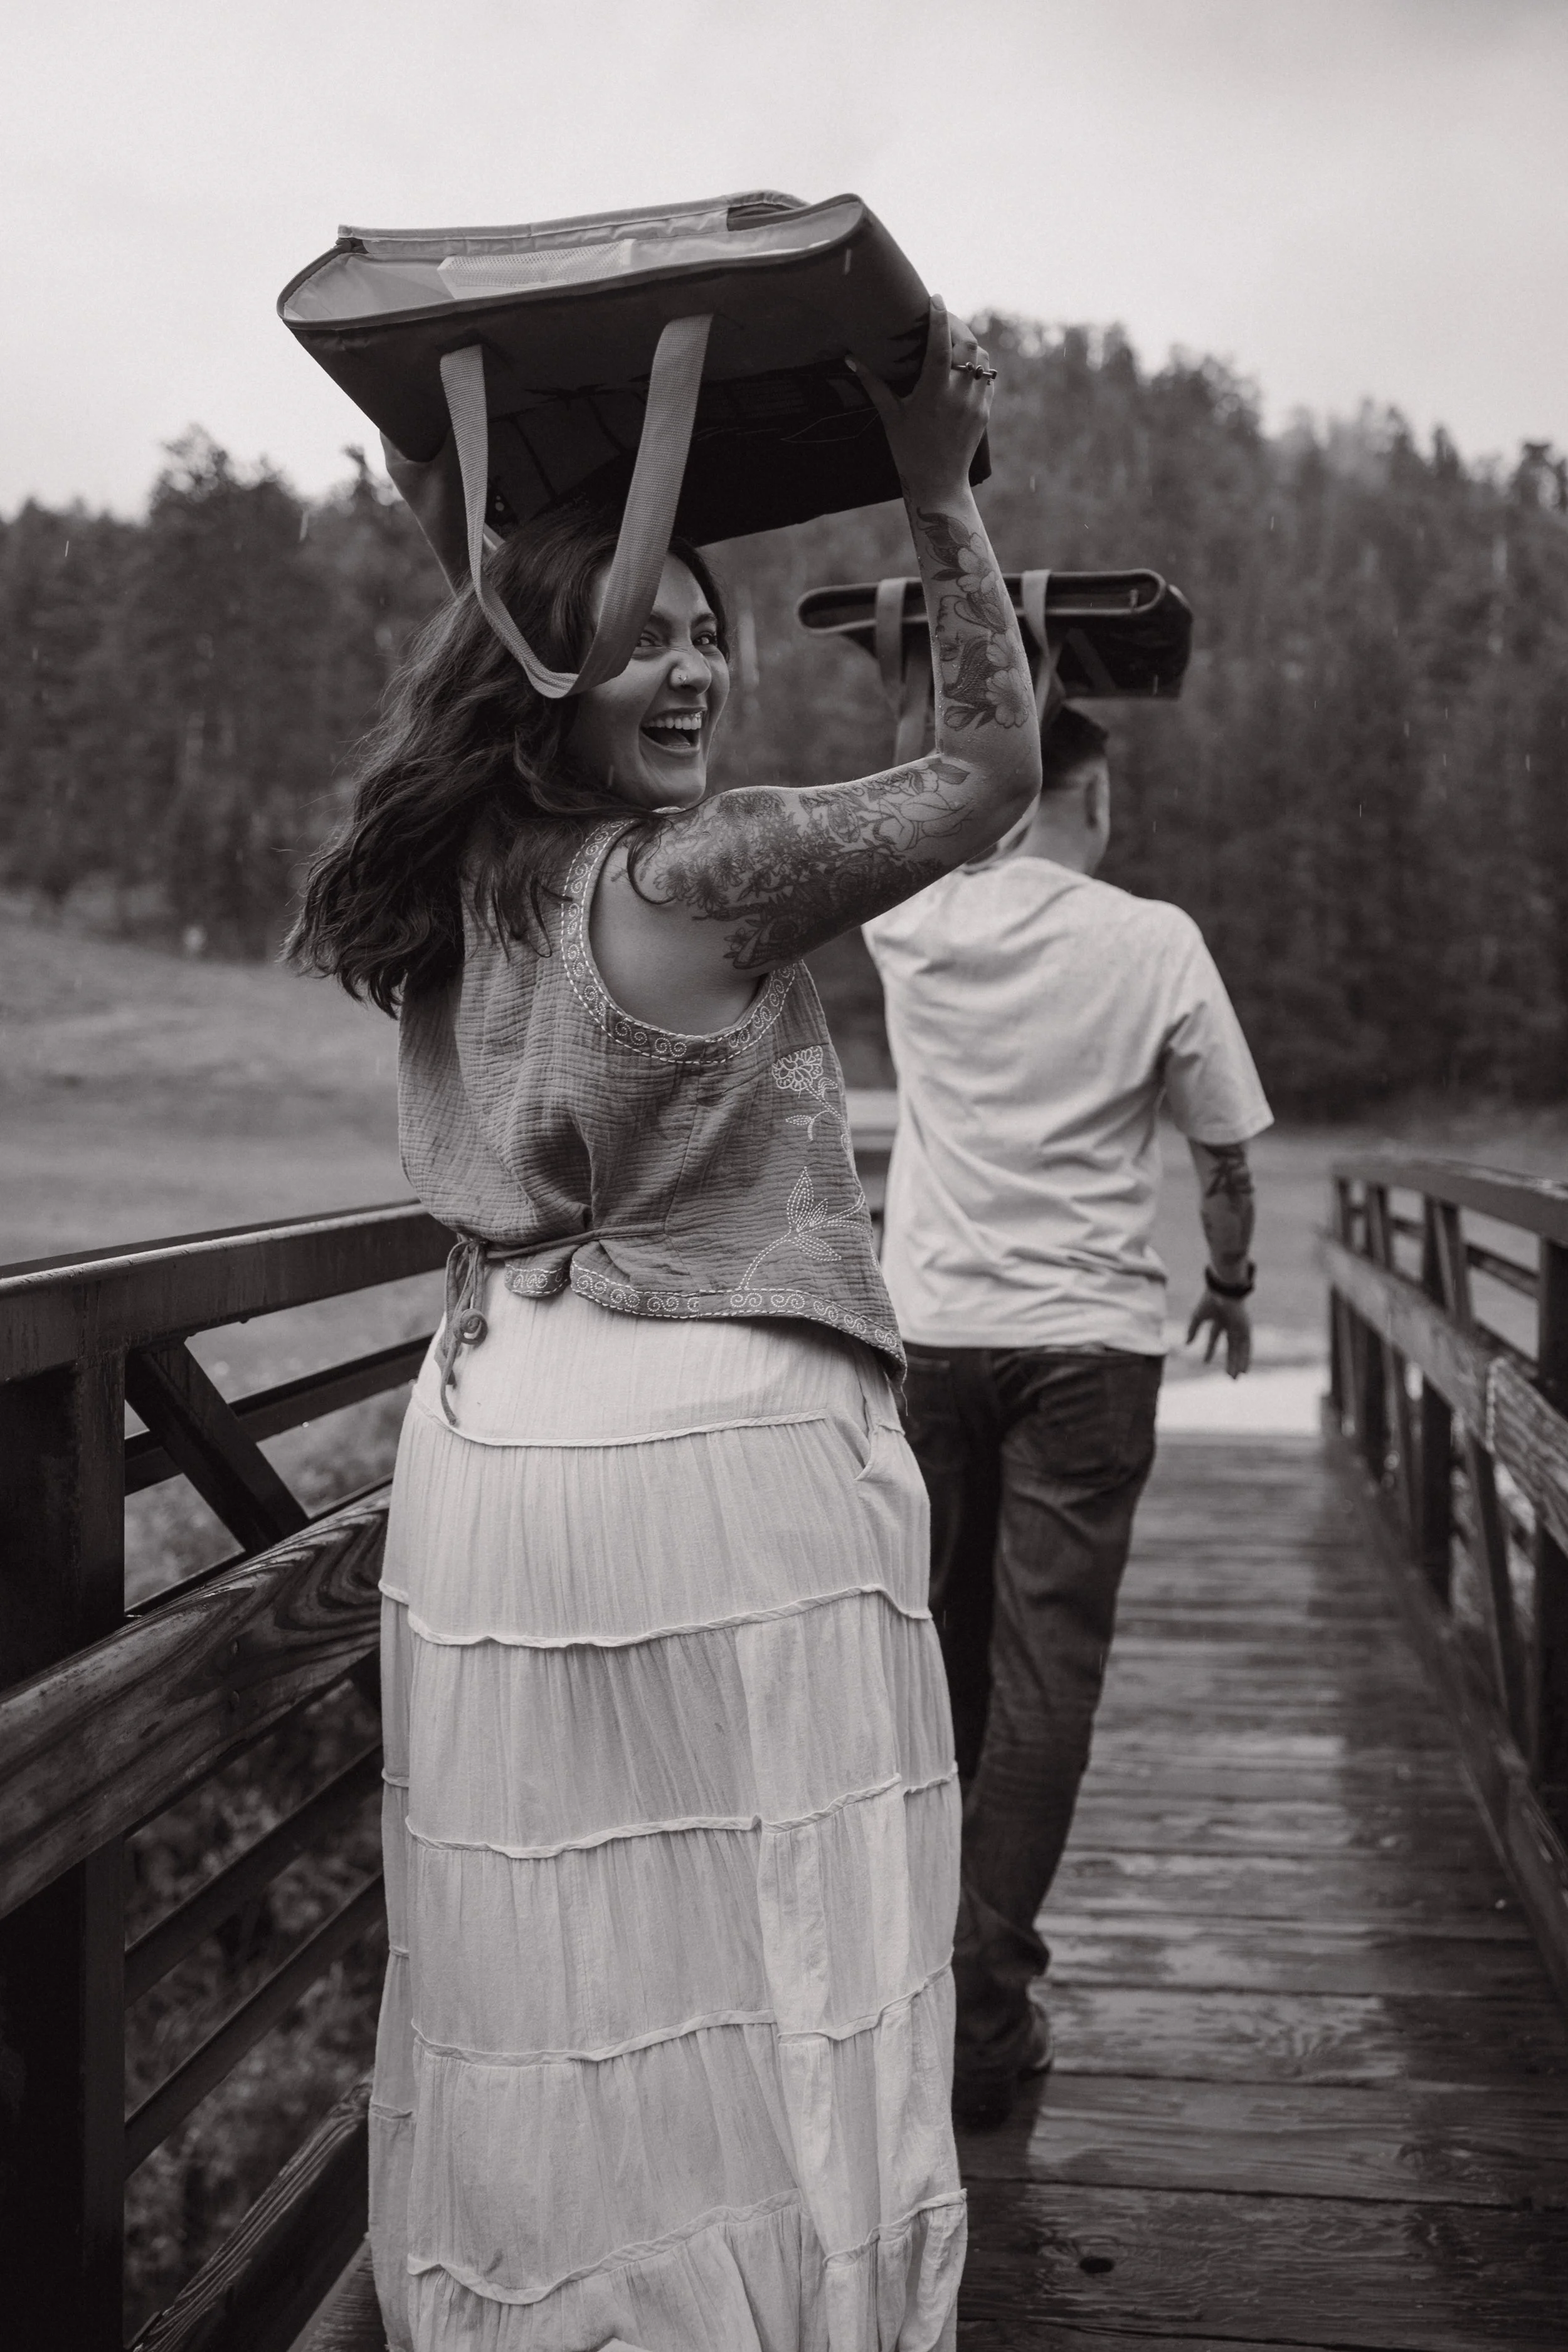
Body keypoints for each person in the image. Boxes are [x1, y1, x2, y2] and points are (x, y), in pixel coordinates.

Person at [289, 301, 1039, 2352]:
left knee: (543, 1950)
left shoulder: (462, 888)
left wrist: (453, 490)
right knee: (784, 1923)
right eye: (647, 632)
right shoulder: (695, 876)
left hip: (498, 1449)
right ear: (548, 674)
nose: (699, 658)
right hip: (720, 1459)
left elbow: (510, 1143)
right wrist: (940, 488)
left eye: (709, 627)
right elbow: (988, 768)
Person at [862, 702, 1272, 2130]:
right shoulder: (1150, 938)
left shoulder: (911, 921)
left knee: (936, 1657)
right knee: (1049, 1678)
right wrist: (1227, 1280)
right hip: (1088, 1346)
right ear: (1083, 795)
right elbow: (1219, 1154)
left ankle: (914, 1979)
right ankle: (984, 2009)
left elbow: (897, 800)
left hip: (931, 1334)